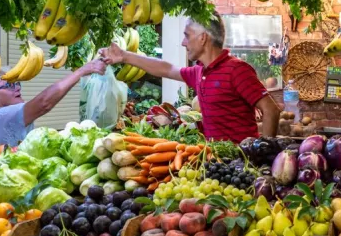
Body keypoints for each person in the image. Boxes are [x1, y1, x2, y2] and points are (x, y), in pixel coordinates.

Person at [100, 15, 280, 143]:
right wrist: (124, 56)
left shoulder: (237, 70)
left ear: (203, 38)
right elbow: (166, 68)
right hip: (215, 161)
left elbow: (271, 109)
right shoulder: (199, 72)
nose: (183, 42)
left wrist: (263, 155)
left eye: (187, 35)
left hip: (241, 162)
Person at [0, 58, 107, 166]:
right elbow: (44, 103)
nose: (17, 88)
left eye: (17, 83)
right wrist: (83, 70)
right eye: (9, 85)